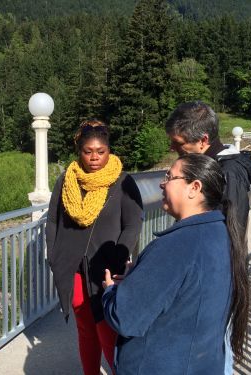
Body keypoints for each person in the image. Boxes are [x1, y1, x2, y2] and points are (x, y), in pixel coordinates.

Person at [102, 153, 250, 375]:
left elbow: (124, 318)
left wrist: (111, 292)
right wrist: (142, 276)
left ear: (194, 188)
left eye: (170, 177)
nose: (162, 184)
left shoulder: (176, 245)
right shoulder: (221, 232)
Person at [46, 119, 143, 375]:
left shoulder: (123, 182)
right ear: (79, 152)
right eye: (88, 152)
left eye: (100, 152)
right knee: (85, 327)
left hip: (106, 268)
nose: (94, 158)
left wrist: (121, 256)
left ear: (109, 150)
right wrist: (53, 255)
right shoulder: (67, 180)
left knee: (107, 328)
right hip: (72, 266)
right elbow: (53, 220)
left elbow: (132, 224)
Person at [165, 101, 251, 232]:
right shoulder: (206, 165)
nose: (172, 148)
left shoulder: (228, 172)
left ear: (203, 140)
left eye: (178, 142)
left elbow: (231, 232)